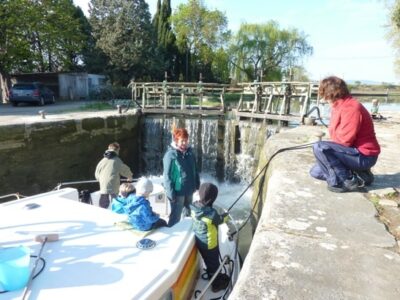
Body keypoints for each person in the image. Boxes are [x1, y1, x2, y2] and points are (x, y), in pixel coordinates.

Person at [310, 76, 380, 193]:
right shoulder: (338, 107)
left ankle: (347, 181)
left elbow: (344, 141)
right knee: (315, 172)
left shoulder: (351, 107)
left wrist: (328, 146)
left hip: (364, 156)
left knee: (320, 147)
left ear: (330, 93)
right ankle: (360, 175)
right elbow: (337, 138)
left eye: (323, 93)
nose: (323, 97)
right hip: (352, 152)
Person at [190, 182, 230, 293]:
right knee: (214, 265)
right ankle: (216, 285)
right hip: (210, 244)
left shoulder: (194, 207)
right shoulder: (211, 214)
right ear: (212, 199)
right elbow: (221, 220)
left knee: (208, 261)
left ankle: (211, 273)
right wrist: (226, 215)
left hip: (199, 241)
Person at [163, 127, 200, 227]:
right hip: (177, 192)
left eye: (186, 140)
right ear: (176, 140)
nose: (184, 143)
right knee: (175, 217)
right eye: (182, 140)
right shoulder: (170, 155)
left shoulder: (190, 153)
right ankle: (171, 232)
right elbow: (166, 176)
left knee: (188, 216)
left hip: (189, 190)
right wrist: (171, 193)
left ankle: (186, 235)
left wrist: (197, 185)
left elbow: (194, 170)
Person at [95, 142, 133, 208]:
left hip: (103, 183)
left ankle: (102, 213)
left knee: (103, 201)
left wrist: (100, 179)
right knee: (115, 200)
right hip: (113, 183)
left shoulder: (102, 160)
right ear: (117, 150)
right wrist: (129, 176)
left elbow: (97, 173)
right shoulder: (116, 160)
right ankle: (116, 212)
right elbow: (124, 169)